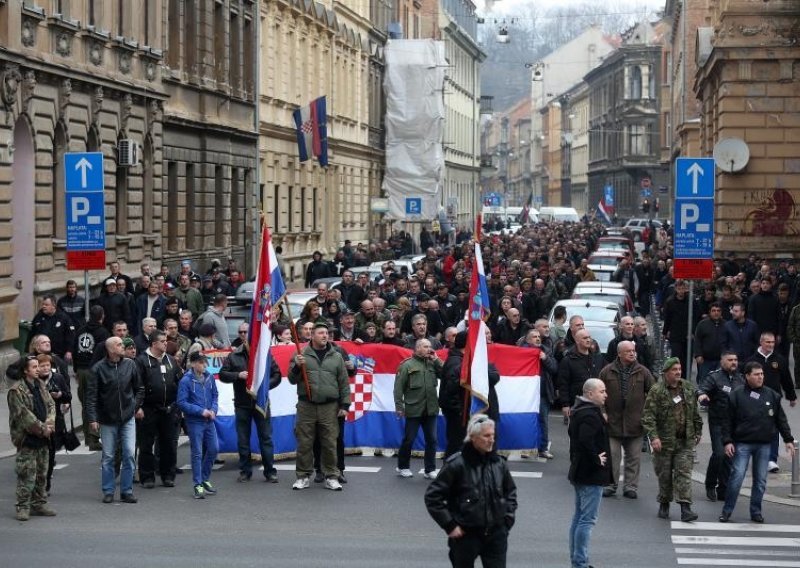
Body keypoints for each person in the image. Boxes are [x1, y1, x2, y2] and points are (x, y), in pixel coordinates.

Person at [425, 414, 517, 568]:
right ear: (473, 437)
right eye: (486, 436)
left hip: (496, 534)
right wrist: (450, 525)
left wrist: (506, 520)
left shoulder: (499, 464)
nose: (491, 440)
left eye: (493, 435)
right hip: (465, 536)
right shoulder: (456, 465)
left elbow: (511, 493)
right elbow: (433, 497)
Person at [718, 361, 796, 523]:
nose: (760, 377)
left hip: (764, 444)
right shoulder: (737, 395)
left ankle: (756, 511)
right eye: (756, 374)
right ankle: (727, 510)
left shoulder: (772, 395)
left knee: (760, 481)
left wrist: (788, 439)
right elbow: (727, 421)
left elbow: (780, 419)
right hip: (742, 443)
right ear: (747, 376)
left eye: (762, 374)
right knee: (737, 477)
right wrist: (727, 441)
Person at [288, 322, 350, 491]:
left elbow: (344, 382)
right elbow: (292, 379)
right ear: (312, 335)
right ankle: (303, 476)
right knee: (304, 443)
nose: (325, 336)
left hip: (329, 407)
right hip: (306, 405)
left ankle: (331, 476)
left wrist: (345, 405)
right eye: (321, 333)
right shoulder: (300, 354)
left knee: (330, 442)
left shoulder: (336, 356)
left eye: (326, 333)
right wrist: (297, 367)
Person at [641, 357, 703, 522]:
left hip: (684, 441)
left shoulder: (688, 388)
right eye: (674, 370)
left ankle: (685, 508)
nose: (678, 372)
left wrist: (698, 431)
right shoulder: (657, 390)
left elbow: (695, 413)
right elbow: (648, 416)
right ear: (666, 373)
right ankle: (664, 502)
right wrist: (653, 437)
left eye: (679, 369)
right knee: (665, 474)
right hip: (664, 441)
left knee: (684, 473)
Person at [87, 337, 144, 504]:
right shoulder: (98, 369)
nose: (123, 347)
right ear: (111, 349)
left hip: (127, 417)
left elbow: (139, 389)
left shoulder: (130, 365)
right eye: (119, 345)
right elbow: (91, 396)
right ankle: (108, 490)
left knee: (129, 453)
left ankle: (126, 491)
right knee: (109, 456)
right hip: (107, 419)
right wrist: (93, 418)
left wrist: (134, 407)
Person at [219, 336, 282, 483]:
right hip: (242, 404)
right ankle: (245, 472)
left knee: (266, 438)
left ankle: (270, 472)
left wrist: (264, 387)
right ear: (245, 341)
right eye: (250, 341)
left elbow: (277, 375)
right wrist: (237, 375)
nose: (253, 344)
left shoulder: (265, 355)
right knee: (243, 440)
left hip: (261, 402)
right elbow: (222, 374)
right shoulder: (234, 355)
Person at [598, 341, 655, 499]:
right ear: (620, 354)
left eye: (633, 351)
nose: (632, 353)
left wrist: (647, 413)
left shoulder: (643, 372)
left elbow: (654, 393)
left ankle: (631, 487)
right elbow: (597, 394)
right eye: (628, 351)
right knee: (612, 456)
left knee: (633, 457)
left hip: (635, 423)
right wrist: (602, 411)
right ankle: (610, 484)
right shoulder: (607, 371)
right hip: (613, 423)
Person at [567, 378, 612, 568]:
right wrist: (596, 458)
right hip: (590, 474)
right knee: (587, 520)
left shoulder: (580, 410)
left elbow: (573, 435)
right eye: (602, 391)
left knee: (579, 517)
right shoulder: (590, 415)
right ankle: (580, 563)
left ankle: (578, 561)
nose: (605, 394)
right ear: (590, 394)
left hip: (580, 472)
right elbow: (585, 440)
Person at [7, 356, 56, 521]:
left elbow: (51, 405)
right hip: (27, 438)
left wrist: (49, 423)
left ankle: (39, 503)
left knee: (42, 473)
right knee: (26, 474)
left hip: (44, 437)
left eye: (38, 366)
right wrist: (43, 429)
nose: (38, 369)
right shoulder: (16, 391)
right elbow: (23, 416)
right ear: (25, 370)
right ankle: (22, 506)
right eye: (34, 367)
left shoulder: (40, 385)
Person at [135, 330, 182, 489]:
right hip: (148, 409)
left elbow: (178, 380)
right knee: (147, 444)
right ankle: (147, 477)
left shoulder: (170, 360)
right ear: (154, 343)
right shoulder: (141, 361)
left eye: (166, 341)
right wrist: (138, 406)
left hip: (169, 408)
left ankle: (168, 475)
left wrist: (177, 404)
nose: (166, 343)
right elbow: (136, 385)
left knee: (168, 443)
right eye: (162, 341)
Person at [745, 332, 797, 472]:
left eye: (773, 342)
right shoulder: (752, 360)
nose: (770, 345)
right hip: (754, 399)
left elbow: (786, 379)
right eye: (768, 342)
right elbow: (744, 380)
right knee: (756, 428)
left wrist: (791, 396)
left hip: (773, 400)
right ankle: (757, 454)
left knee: (774, 428)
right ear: (761, 342)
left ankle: (772, 459)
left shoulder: (779, 359)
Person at [697, 351, 744, 502]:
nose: (734, 362)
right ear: (722, 361)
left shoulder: (740, 378)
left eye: (735, 360)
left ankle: (723, 489)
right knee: (719, 453)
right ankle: (710, 484)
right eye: (730, 360)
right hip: (718, 421)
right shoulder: (715, 377)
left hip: (734, 424)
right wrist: (702, 395)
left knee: (730, 457)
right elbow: (702, 389)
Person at [394, 338, 443, 479]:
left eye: (430, 346)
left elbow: (446, 373)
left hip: (431, 408)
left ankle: (430, 469)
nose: (429, 349)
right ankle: (403, 466)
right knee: (409, 439)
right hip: (414, 408)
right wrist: (399, 406)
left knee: (432, 440)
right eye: (426, 346)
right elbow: (398, 388)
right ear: (417, 348)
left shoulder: (433, 363)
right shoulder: (407, 365)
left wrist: (437, 359)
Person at [177, 351, 220, 499]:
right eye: (201, 362)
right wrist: (201, 411)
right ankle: (197, 484)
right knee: (197, 452)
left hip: (209, 420)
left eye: (205, 362)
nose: (204, 365)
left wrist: (213, 409)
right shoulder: (186, 380)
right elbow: (181, 402)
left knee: (214, 449)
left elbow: (215, 395)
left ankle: (204, 478)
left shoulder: (209, 377)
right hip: (195, 421)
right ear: (193, 363)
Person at [72, 306, 110, 451]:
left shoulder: (81, 330)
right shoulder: (103, 332)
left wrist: (76, 369)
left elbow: (75, 349)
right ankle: (94, 438)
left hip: (81, 370)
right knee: (94, 404)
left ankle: (88, 438)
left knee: (85, 405)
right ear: (101, 316)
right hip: (94, 371)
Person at [38, 354, 71, 494]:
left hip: (54, 420)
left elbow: (68, 395)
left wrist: (60, 395)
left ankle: (46, 484)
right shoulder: (34, 381)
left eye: (48, 365)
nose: (46, 368)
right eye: (42, 366)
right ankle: (37, 484)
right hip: (38, 420)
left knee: (51, 453)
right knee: (39, 453)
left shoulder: (57, 378)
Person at [439, 331, 468, 458]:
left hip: (456, 410)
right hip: (456, 411)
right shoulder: (456, 362)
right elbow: (451, 388)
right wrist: (459, 410)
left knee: (456, 443)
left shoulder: (458, 359)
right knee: (455, 444)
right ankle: (448, 473)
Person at [28, 295, 75, 361]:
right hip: (41, 354)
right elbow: (32, 333)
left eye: (46, 305)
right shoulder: (39, 317)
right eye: (43, 304)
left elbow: (70, 336)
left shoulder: (64, 318)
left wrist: (69, 351)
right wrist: (28, 350)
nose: (43, 306)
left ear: (54, 305)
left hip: (58, 354)